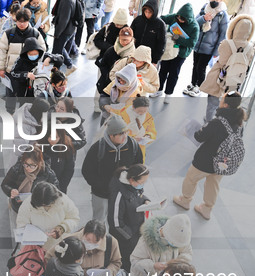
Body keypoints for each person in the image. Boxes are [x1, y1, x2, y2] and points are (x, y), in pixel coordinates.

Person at [173, 92, 246, 220]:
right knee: (213, 185)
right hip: (222, 163)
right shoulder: (240, 123)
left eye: (222, 99)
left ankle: (185, 200)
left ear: (226, 105)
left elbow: (199, 137)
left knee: (191, 179)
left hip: (205, 160)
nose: (220, 100)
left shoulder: (217, 122)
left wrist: (195, 130)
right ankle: (206, 209)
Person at [81, 115, 143, 222]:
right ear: (111, 136)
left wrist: (132, 183)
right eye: (120, 134)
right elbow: (87, 170)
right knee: (98, 221)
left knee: (119, 220)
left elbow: (138, 166)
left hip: (124, 193)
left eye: (125, 132)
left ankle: (113, 239)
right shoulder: (98, 148)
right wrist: (101, 185)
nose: (125, 136)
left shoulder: (132, 145)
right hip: (101, 194)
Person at [200, 14, 254, 122]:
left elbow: (223, 62)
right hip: (234, 81)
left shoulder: (227, 43)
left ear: (234, 28)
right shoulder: (250, 46)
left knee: (213, 102)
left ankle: (208, 122)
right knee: (226, 104)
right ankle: (220, 123)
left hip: (219, 77)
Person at [0, 8, 47, 112]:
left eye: (24, 21)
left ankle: (23, 114)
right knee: (10, 94)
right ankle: (10, 112)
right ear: (16, 20)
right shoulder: (9, 34)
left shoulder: (35, 33)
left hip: (28, 72)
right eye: (19, 21)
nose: (22, 24)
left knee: (25, 95)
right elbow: (1, 51)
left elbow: (43, 49)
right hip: (11, 71)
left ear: (29, 21)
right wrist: (1, 68)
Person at [152, 4, 199, 103]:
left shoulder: (194, 27)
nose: (179, 20)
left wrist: (177, 39)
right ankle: (159, 90)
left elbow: (192, 43)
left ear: (188, 19)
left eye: (182, 19)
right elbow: (162, 18)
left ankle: (168, 94)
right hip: (168, 50)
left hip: (181, 53)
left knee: (173, 73)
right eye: (178, 17)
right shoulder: (175, 17)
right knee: (163, 70)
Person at [107, 164, 150, 272]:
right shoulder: (119, 195)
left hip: (136, 230)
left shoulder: (134, 186)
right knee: (126, 262)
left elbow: (139, 194)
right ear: (131, 180)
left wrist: (145, 200)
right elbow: (115, 223)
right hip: (125, 239)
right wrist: (131, 237)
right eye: (141, 182)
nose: (143, 185)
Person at [183, 1, 229, 98]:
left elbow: (223, 35)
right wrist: (204, 18)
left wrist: (217, 51)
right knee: (195, 66)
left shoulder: (222, 14)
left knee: (201, 67)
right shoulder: (205, 7)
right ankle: (192, 84)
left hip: (209, 47)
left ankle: (199, 87)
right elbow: (195, 23)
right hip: (198, 44)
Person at [42, 97, 86, 193]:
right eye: (57, 106)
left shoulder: (75, 121)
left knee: (63, 175)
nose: (57, 110)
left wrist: (66, 144)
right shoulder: (49, 117)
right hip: (49, 151)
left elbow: (82, 141)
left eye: (62, 109)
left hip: (66, 152)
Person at [1, 146, 60, 212]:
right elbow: (5, 184)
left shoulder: (48, 174)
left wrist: (45, 198)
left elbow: (56, 191)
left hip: (39, 208)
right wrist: (11, 191)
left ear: (39, 163)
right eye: (26, 164)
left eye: (32, 165)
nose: (28, 168)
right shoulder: (17, 169)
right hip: (19, 204)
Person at [106, 96, 157, 161]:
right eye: (140, 111)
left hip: (139, 148)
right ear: (133, 107)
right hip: (123, 148)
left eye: (145, 111)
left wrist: (148, 136)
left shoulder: (148, 117)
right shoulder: (121, 114)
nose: (142, 113)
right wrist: (132, 139)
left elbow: (152, 131)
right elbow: (115, 133)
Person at [96, 27, 135, 95]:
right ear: (119, 38)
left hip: (123, 89)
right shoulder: (111, 50)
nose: (124, 42)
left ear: (131, 39)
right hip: (107, 85)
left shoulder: (133, 54)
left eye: (127, 40)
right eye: (122, 40)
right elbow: (103, 64)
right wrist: (108, 76)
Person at [130, 0, 166, 64]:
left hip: (148, 58)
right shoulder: (138, 20)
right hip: (134, 54)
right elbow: (130, 33)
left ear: (154, 12)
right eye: (145, 11)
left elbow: (161, 44)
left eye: (150, 12)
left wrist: (155, 60)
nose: (147, 14)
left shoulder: (160, 24)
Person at [49, 0, 76, 75]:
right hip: (69, 28)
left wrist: (57, 33)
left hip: (64, 30)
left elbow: (64, 19)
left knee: (57, 52)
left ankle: (56, 74)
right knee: (59, 49)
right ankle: (68, 66)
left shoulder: (66, 1)